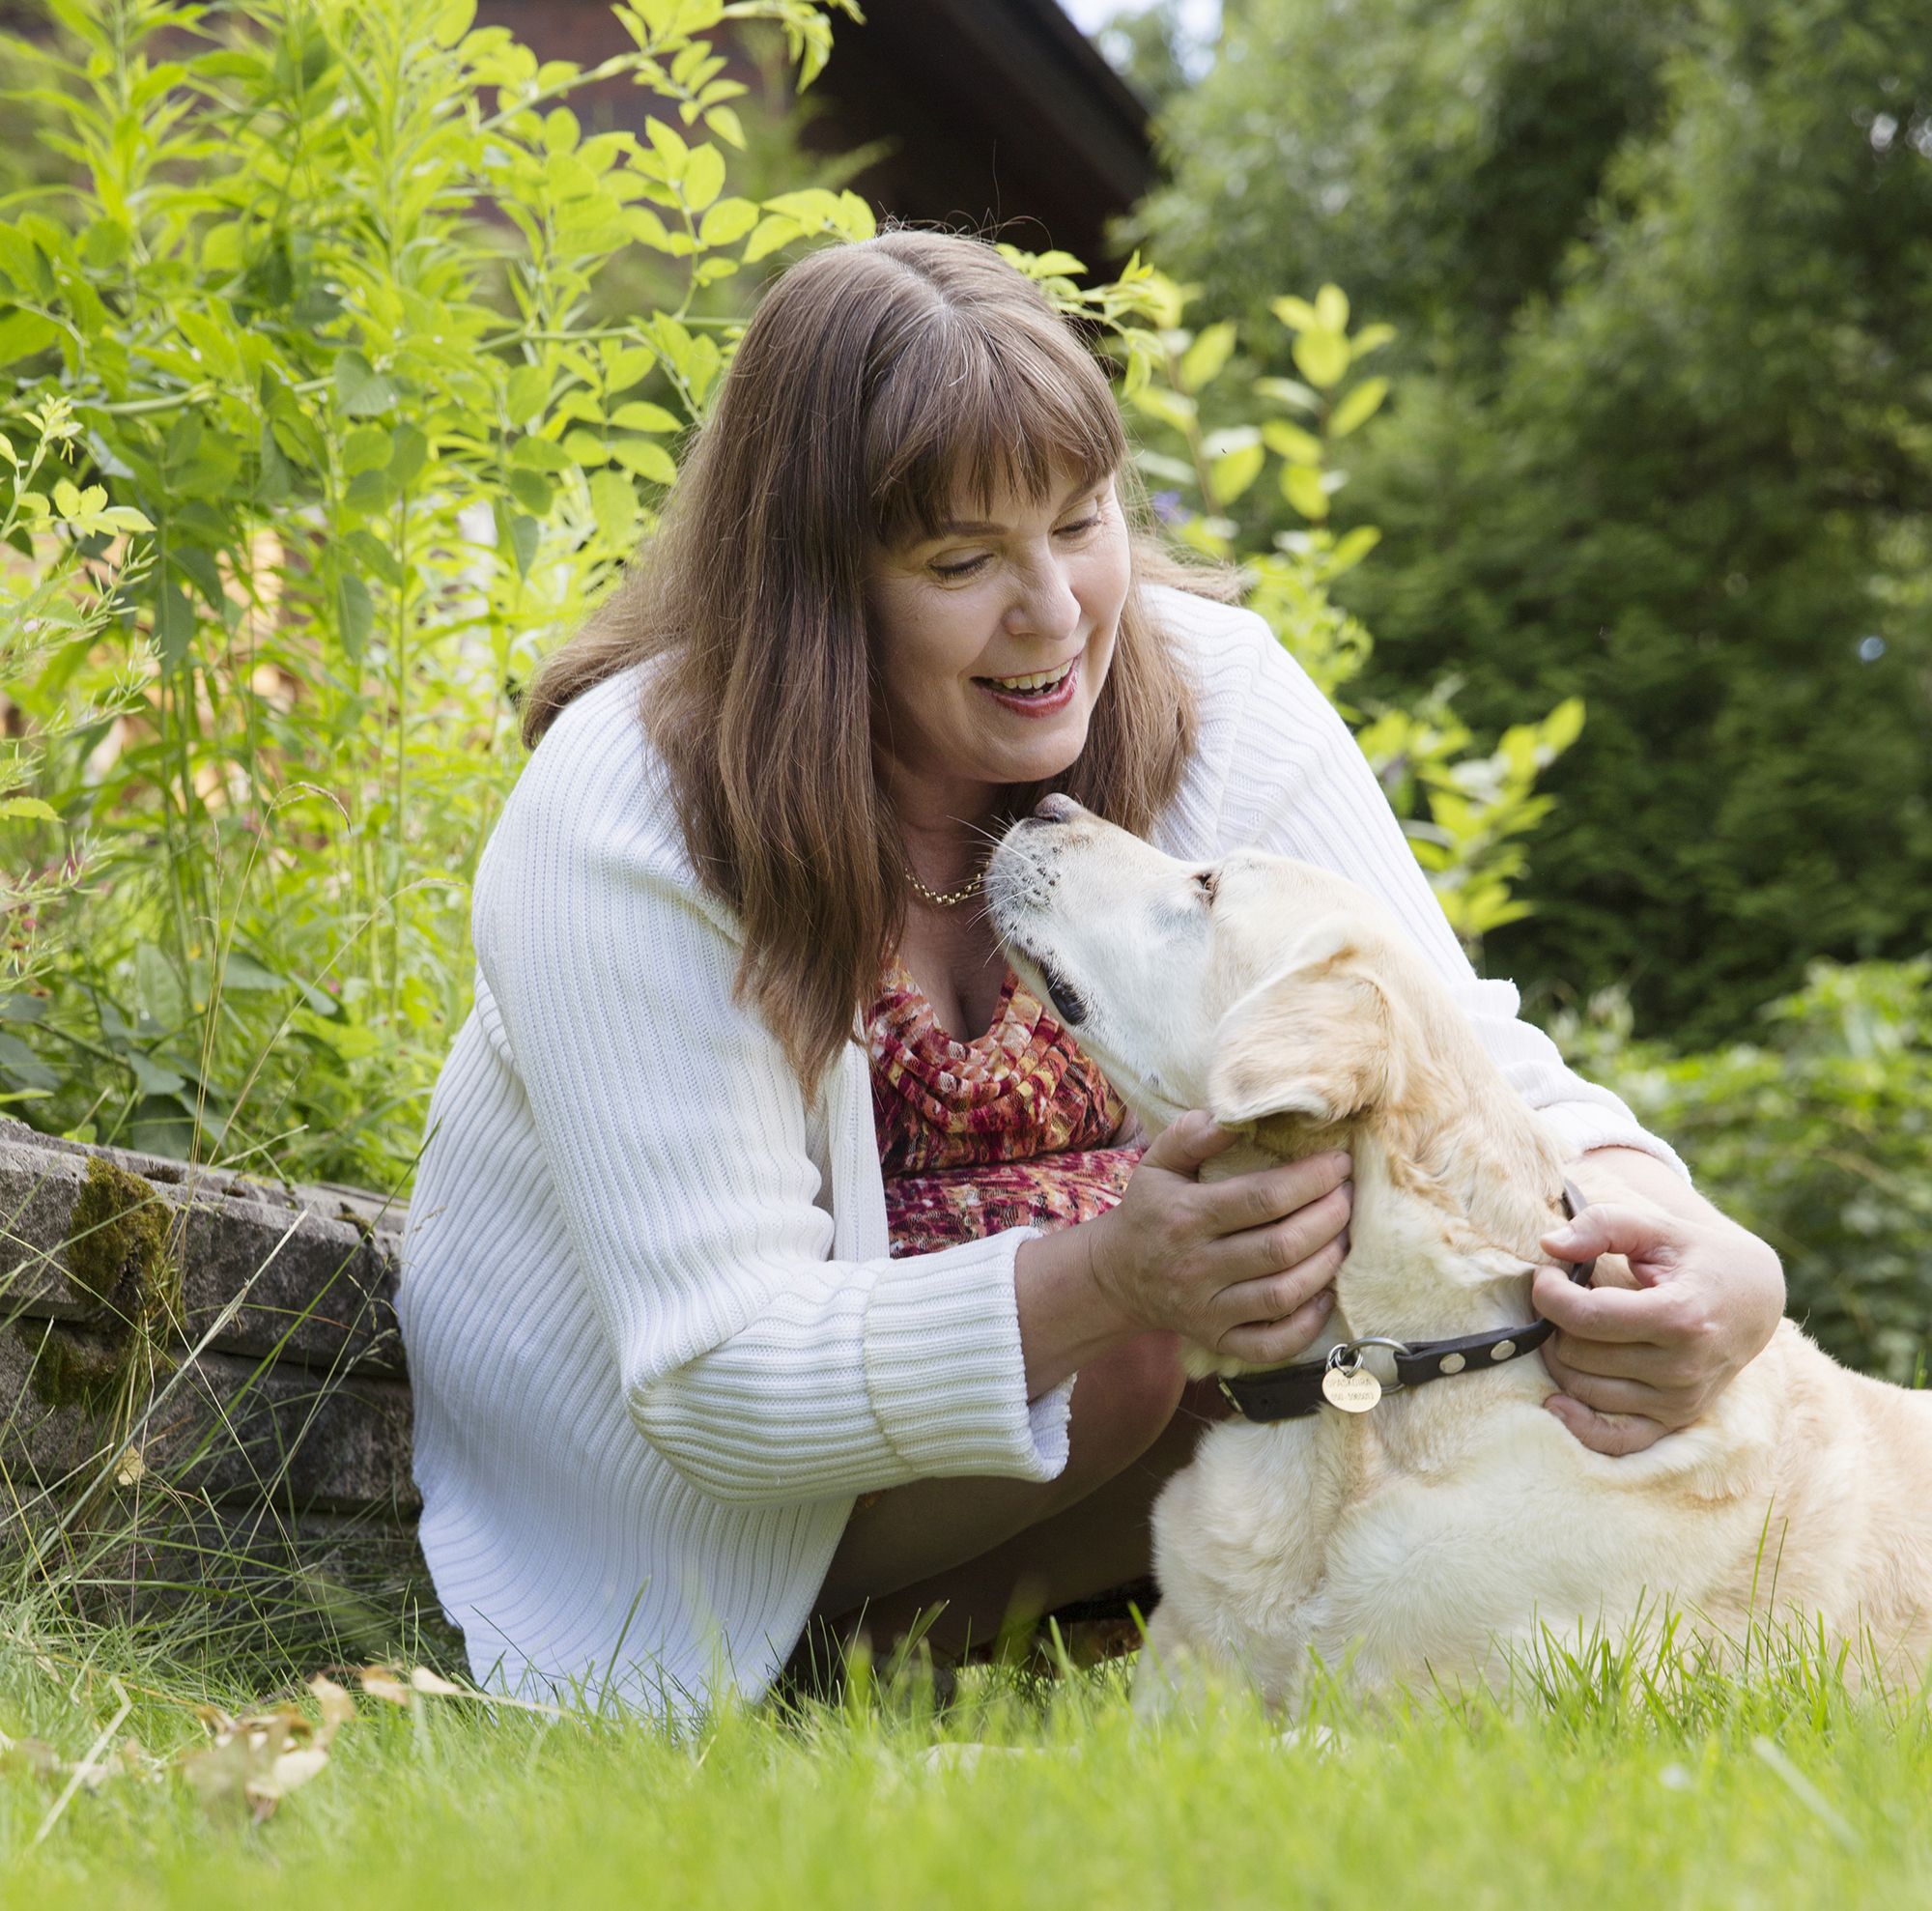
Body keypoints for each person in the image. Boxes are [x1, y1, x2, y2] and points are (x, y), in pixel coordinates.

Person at [396, 231, 1784, 1713]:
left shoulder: (1215, 692)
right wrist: (1111, 1275)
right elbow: (715, 1373)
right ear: (816, 587)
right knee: (1148, 1338)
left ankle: (1126, 1656)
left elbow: (1453, 1059)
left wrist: (1683, 1232)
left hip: (1095, 1437)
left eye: (1081, 520)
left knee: (1373, 1247)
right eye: (962, 561)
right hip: (675, 1525)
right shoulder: (637, 802)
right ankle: (844, 1680)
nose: (1055, 611)